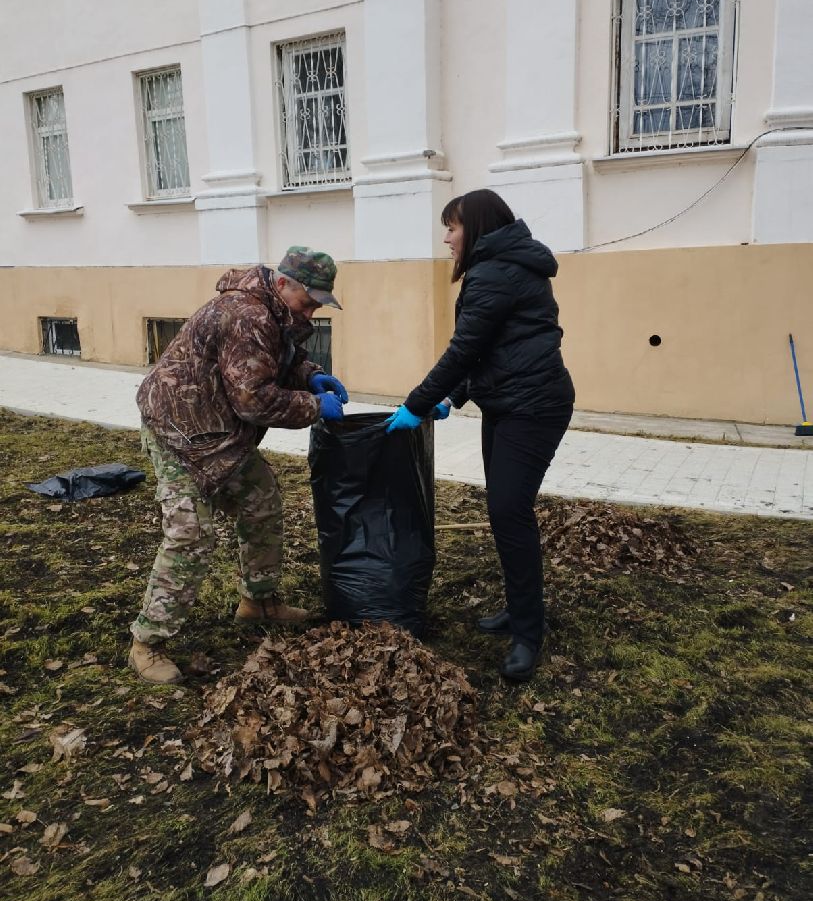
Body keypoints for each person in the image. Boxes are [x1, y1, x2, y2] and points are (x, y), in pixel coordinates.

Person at [128, 247, 348, 684]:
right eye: (310, 300)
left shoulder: (273, 310)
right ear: (283, 283)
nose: (314, 308)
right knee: (190, 534)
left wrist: (308, 375)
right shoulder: (247, 315)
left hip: (218, 433)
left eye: (320, 302)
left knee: (261, 502)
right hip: (180, 433)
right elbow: (253, 400)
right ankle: (147, 643)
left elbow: (271, 358)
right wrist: (313, 405)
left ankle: (259, 603)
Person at [386, 190, 575, 682]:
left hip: (532, 407)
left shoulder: (495, 272)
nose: (446, 237)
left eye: (452, 226)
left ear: (478, 227)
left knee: (509, 511)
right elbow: (495, 349)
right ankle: (519, 608)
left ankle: (528, 634)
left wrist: (416, 404)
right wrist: (456, 397)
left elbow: (464, 350)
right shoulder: (507, 264)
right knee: (505, 511)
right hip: (510, 401)